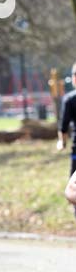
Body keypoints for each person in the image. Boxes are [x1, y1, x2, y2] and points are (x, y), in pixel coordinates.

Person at [57, 62, 76, 219]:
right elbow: (63, 126)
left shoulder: (69, 99)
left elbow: (63, 126)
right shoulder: (69, 99)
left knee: (72, 190)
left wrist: (61, 142)